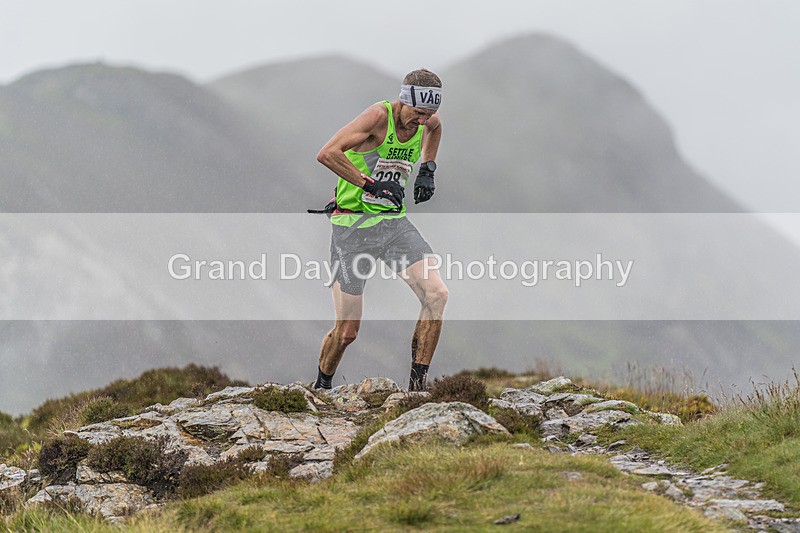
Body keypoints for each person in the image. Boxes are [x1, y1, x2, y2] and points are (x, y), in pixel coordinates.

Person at [312, 68, 447, 392]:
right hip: (352, 227)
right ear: (404, 102)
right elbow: (327, 153)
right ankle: (322, 387)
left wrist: (427, 168)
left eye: (428, 114)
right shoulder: (377, 118)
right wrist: (370, 183)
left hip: (393, 225)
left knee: (436, 294)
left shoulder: (427, 120)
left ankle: (417, 389)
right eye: (417, 114)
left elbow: (436, 128)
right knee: (347, 332)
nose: (422, 121)